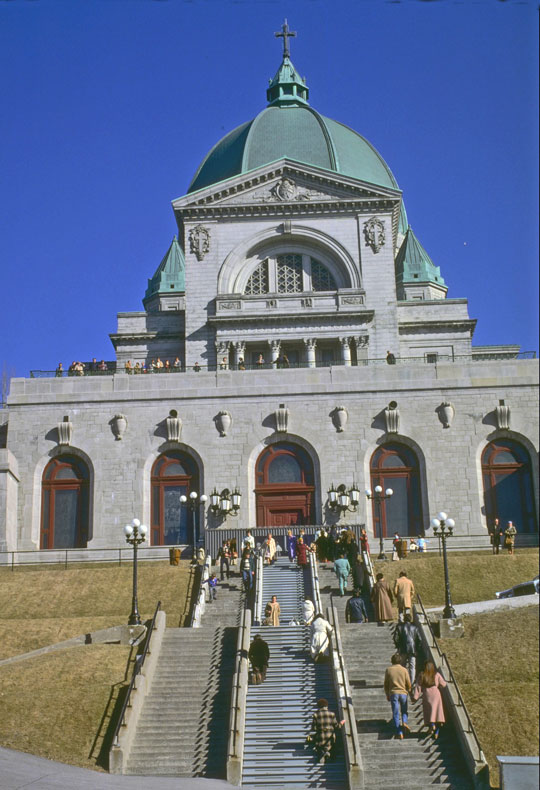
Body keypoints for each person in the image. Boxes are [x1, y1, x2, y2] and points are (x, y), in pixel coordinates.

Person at [413, 660, 448, 739]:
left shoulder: (422, 675)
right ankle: (436, 732)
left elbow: (418, 686)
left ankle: (431, 726)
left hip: (427, 694)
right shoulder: (436, 674)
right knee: (437, 713)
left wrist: (415, 697)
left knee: (429, 712)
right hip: (436, 694)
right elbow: (444, 684)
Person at [306, 698, 345, 765]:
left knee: (315, 741)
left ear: (319, 706)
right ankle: (329, 754)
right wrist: (341, 723)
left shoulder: (315, 715)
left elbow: (314, 728)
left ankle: (322, 753)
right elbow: (336, 727)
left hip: (320, 738)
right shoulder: (332, 714)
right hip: (330, 738)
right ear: (326, 706)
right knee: (334, 744)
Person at [384, 653, 412, 739]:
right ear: (400, 660)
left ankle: (399, 732)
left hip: (393, 693)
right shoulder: (404, 670)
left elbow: (386, 684)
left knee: (395, 713)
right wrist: (409, 690)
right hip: (403, 693)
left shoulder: (388, 670)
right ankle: (405, 722)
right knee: (404, 710)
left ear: (392, 661)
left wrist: (387, 694)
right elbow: (408, 683)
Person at [393, 613, 422, 683]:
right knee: (412, 667)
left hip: (403, 649)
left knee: (403, 666)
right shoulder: (415, 628)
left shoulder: (400, 627)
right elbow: (420, 639)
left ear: (404, 619)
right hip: (412, 649)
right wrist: (417, 649)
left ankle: (403, 681)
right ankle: (411, 682)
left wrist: (398, 646)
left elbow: (395, 638)